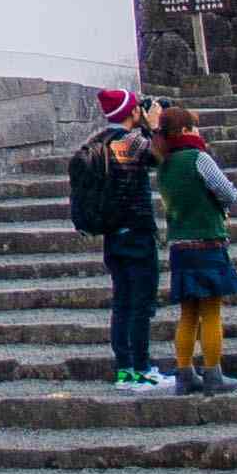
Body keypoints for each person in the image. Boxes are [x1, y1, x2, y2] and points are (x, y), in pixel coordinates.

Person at [66, 86, 168, 391]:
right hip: (136, 232)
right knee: (141, 303)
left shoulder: (98, 143)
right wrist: (155, 126)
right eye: (137, 107)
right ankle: (142, 368)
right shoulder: (131, 141)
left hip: (113, 235)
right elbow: (158, 157)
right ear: (132, 112)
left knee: (122, 302)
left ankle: (124, 369)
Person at [156, 102, 237, 395]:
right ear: (184, 130)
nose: (197, 130)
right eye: (192, 126)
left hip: (180, 246)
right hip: (207, 241)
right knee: (211, 311)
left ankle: (184, 373)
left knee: (188, 313)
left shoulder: (163, 164)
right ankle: (213, 373)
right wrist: (224, 206)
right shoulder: (198, 158)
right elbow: (227, 192)